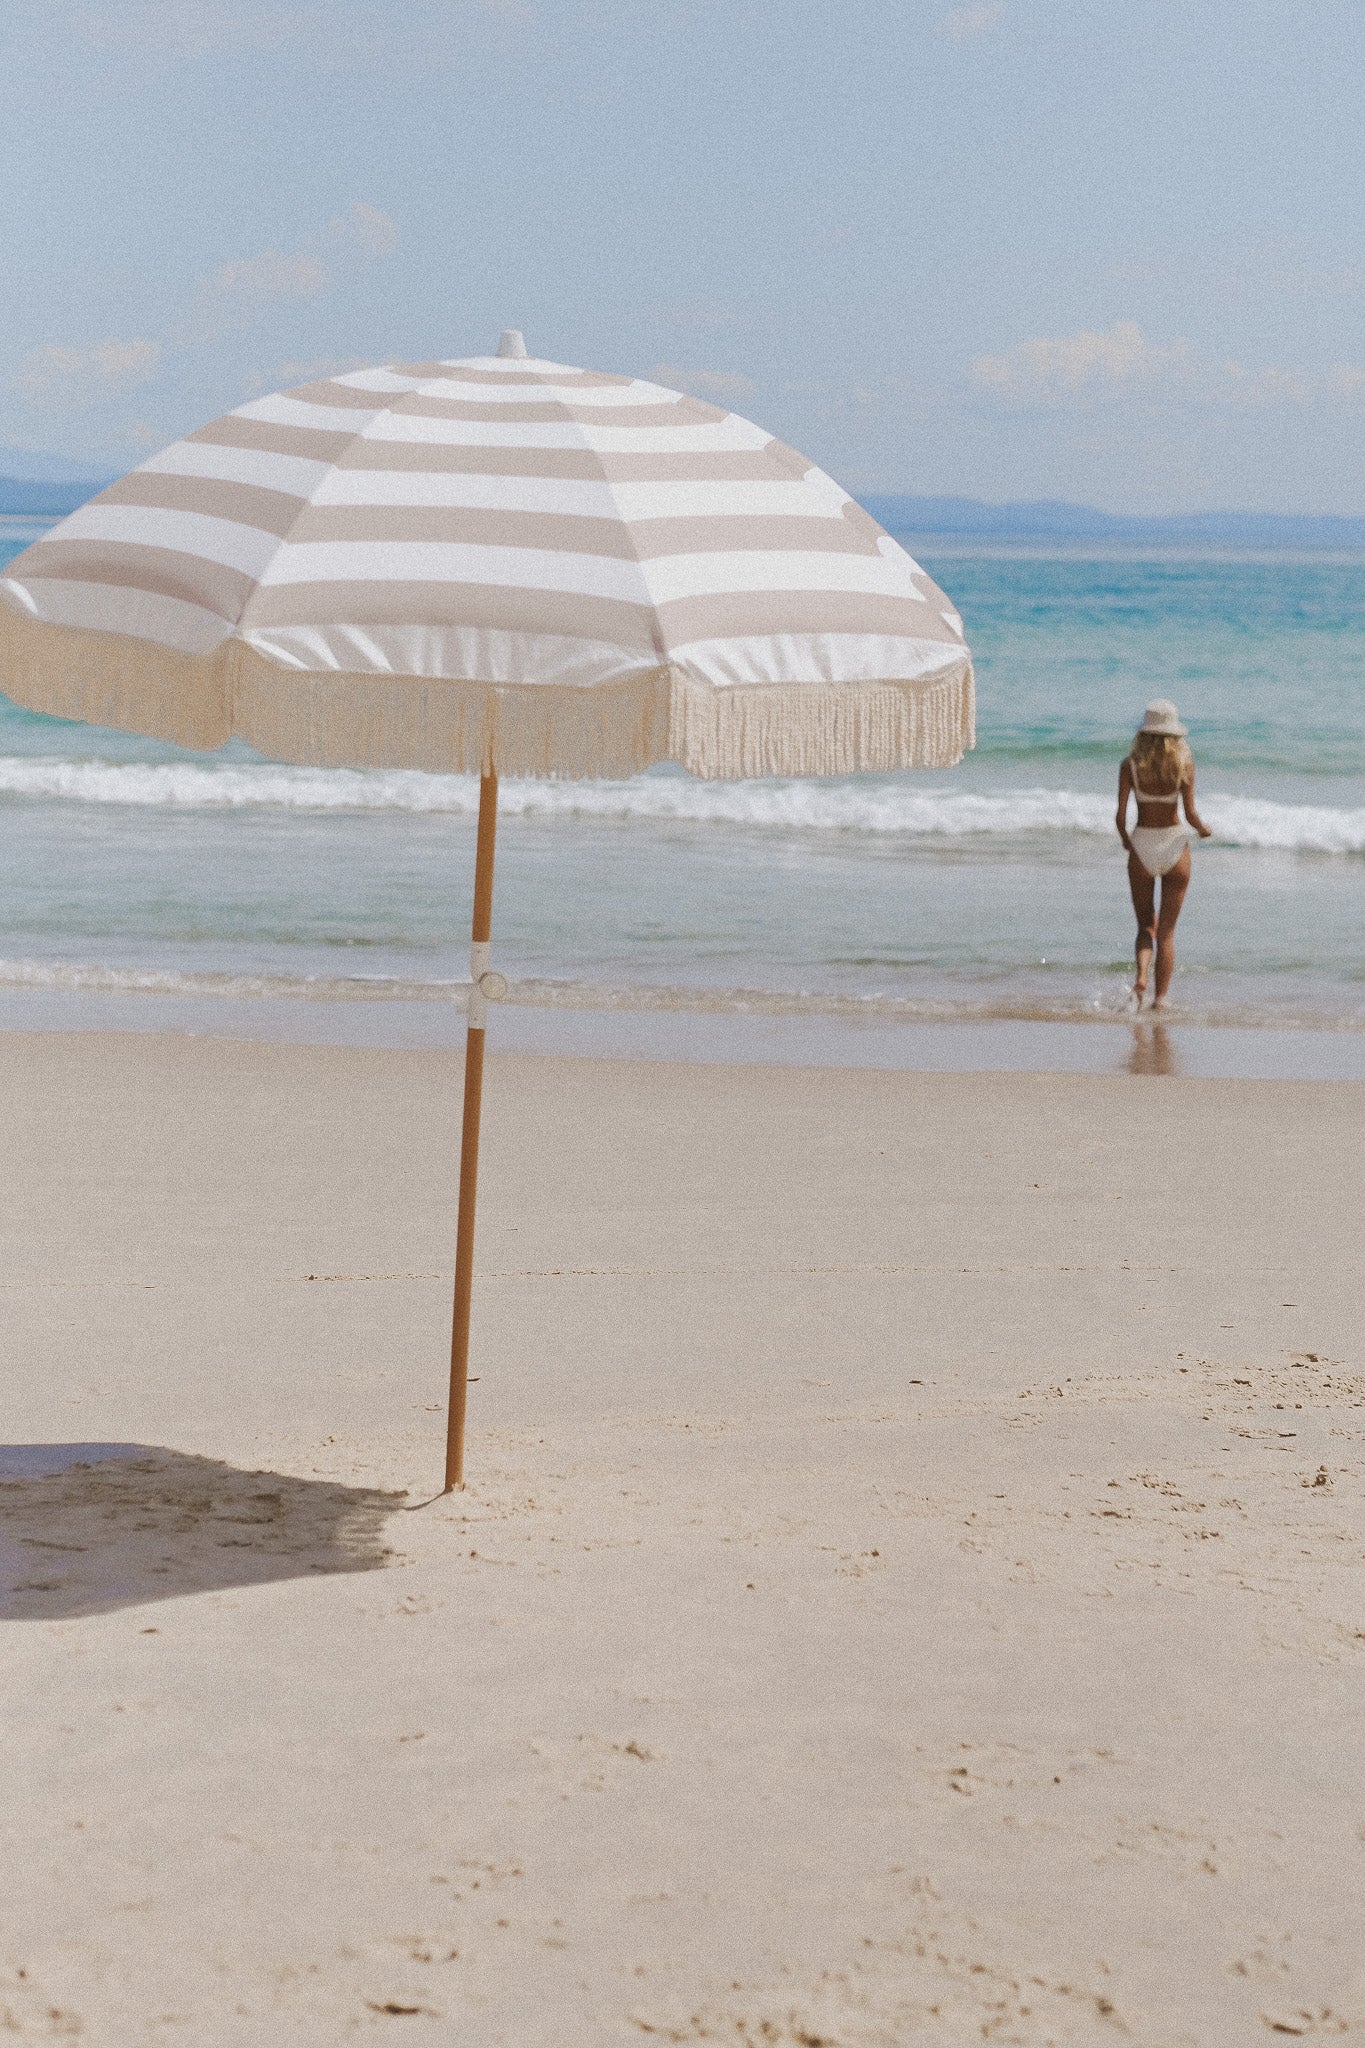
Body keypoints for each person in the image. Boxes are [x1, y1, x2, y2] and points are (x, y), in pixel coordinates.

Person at [1116, 700, 1212, 1010]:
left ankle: (1142, 976)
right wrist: (1204, 830)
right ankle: (1159, 1000)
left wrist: (1127, 842)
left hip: (1143, 842)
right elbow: (1191, 813)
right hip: (1174, 845)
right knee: (1167, 934)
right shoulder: (1184, 764)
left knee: (1146, 926)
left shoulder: (1129, 765)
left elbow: (1119, 817)